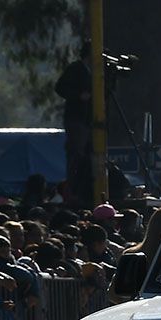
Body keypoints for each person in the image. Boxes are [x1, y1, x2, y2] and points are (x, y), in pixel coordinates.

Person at [55, 42, 93, 207]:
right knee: (76, 153)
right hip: (76, 118)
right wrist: (78, 96)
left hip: (88, 120)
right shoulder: (76, 69)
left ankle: (84, 189)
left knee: (87, 155)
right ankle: (73, 190)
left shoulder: (94, 72)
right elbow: (60, 87)